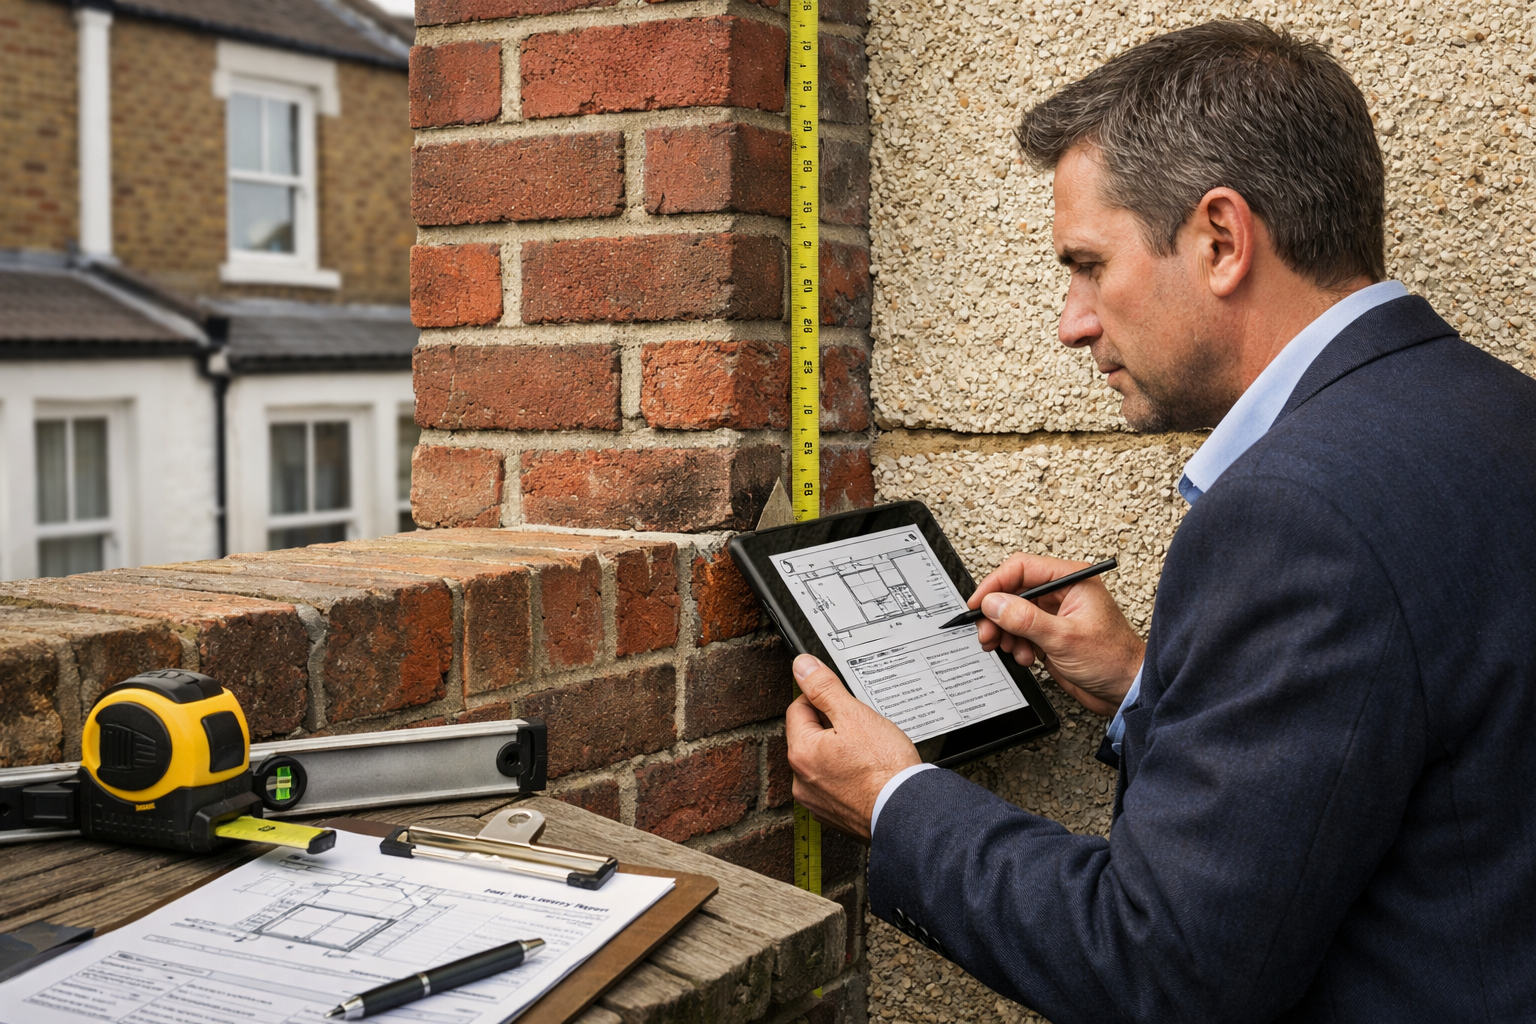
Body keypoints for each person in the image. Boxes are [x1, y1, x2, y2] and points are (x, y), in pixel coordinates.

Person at [784, 19, 1536, 1024]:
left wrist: (893, 798)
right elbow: (1404, 757)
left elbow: (1164, 969)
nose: (1072, 318)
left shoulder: (1293, 511)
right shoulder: (1500, 410)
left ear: (1221, 240)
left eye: (1089, 264)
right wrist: (1146, 684)